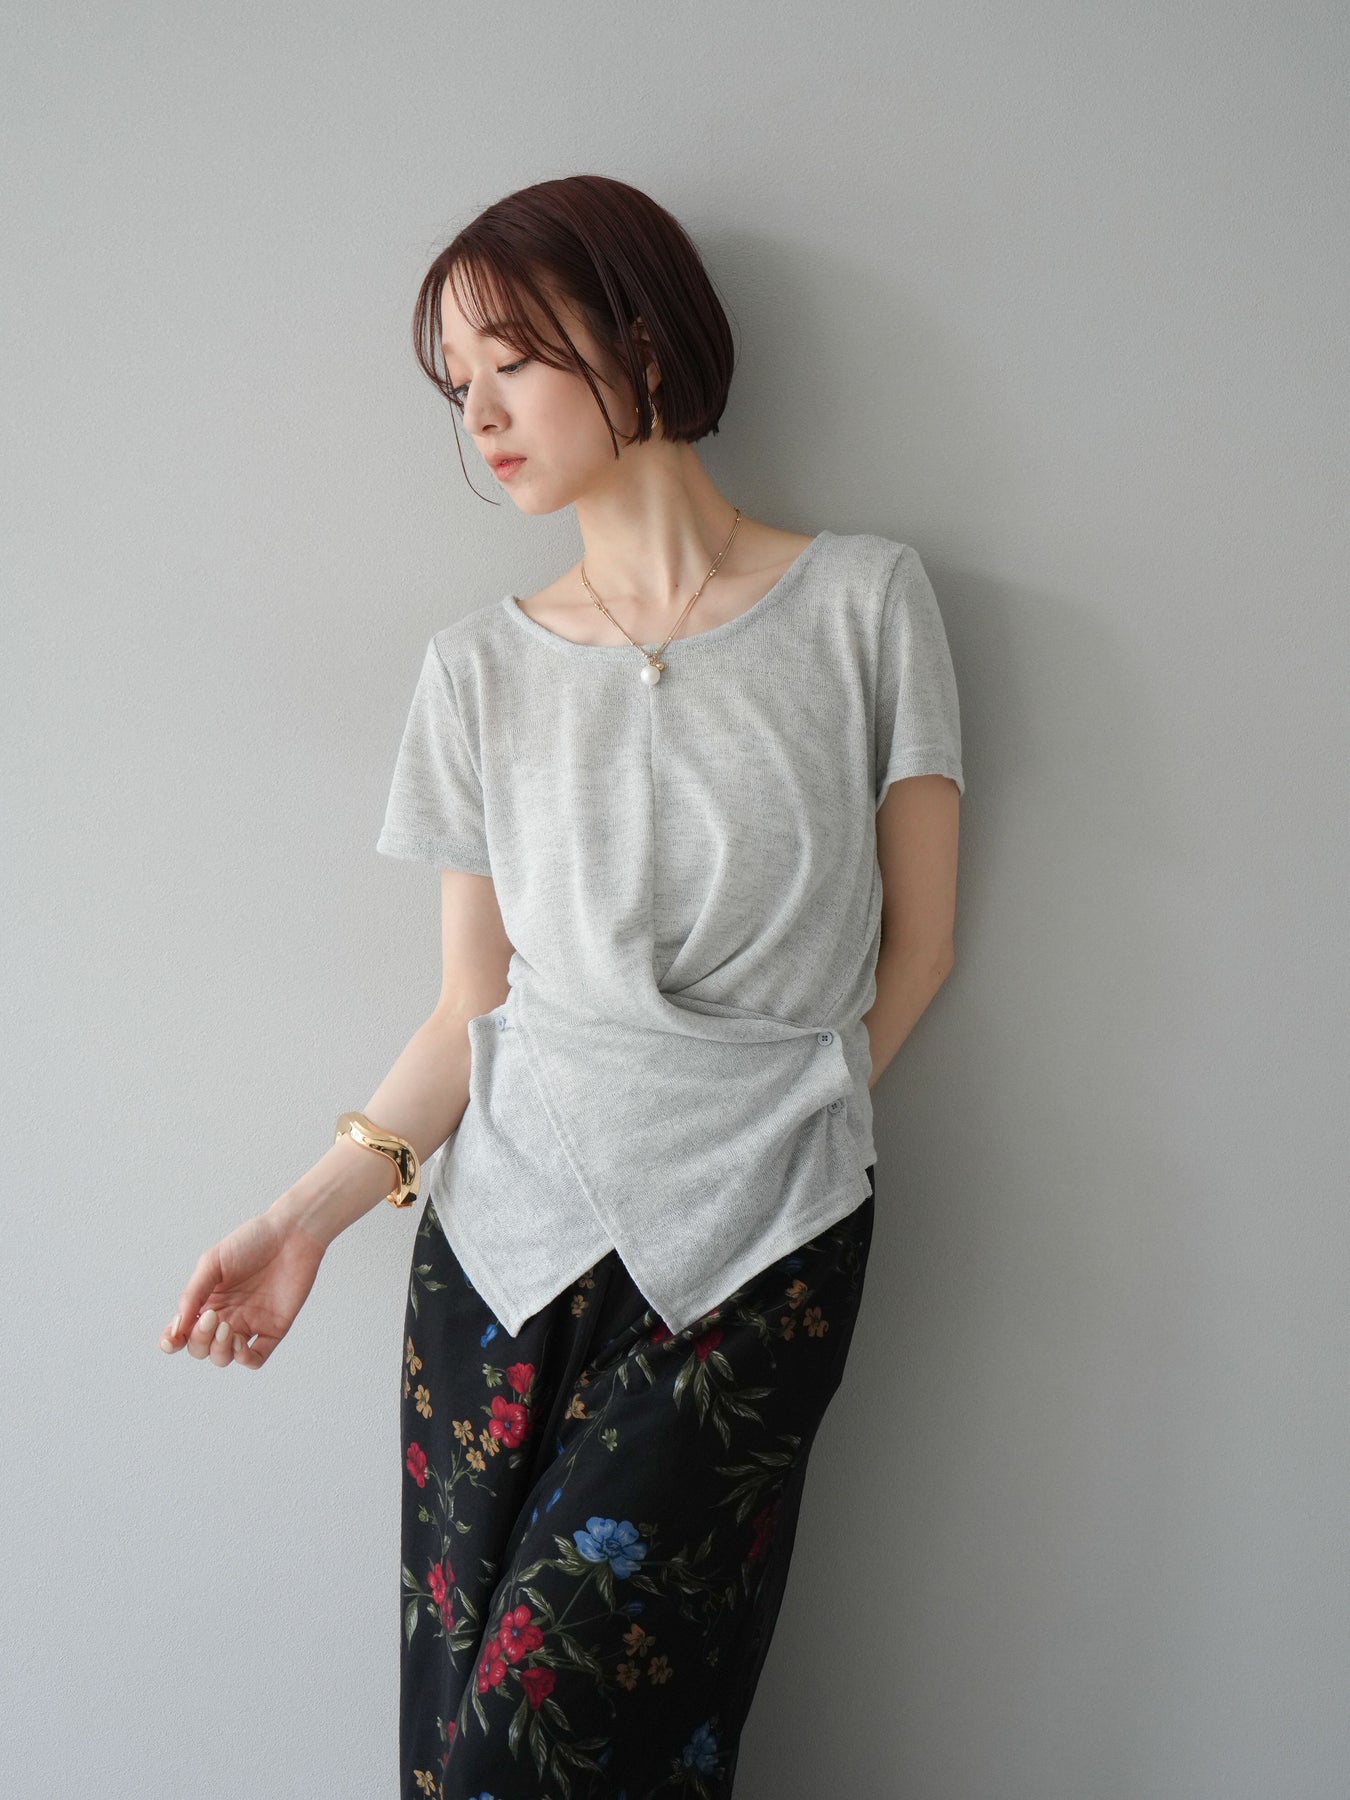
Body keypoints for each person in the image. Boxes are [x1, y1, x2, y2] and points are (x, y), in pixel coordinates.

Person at [158, 173, 964, 1799]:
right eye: (457, 386)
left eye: (512, 362)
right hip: (498, 1259)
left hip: (758, 1254)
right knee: (464, 1747)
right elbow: (472, 1008)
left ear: (640, 340)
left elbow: (920, 945)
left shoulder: (865, 605)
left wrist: (795, 1124)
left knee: (536, 1754)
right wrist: (303, 1219)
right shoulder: (474, 670)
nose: (480, 418)